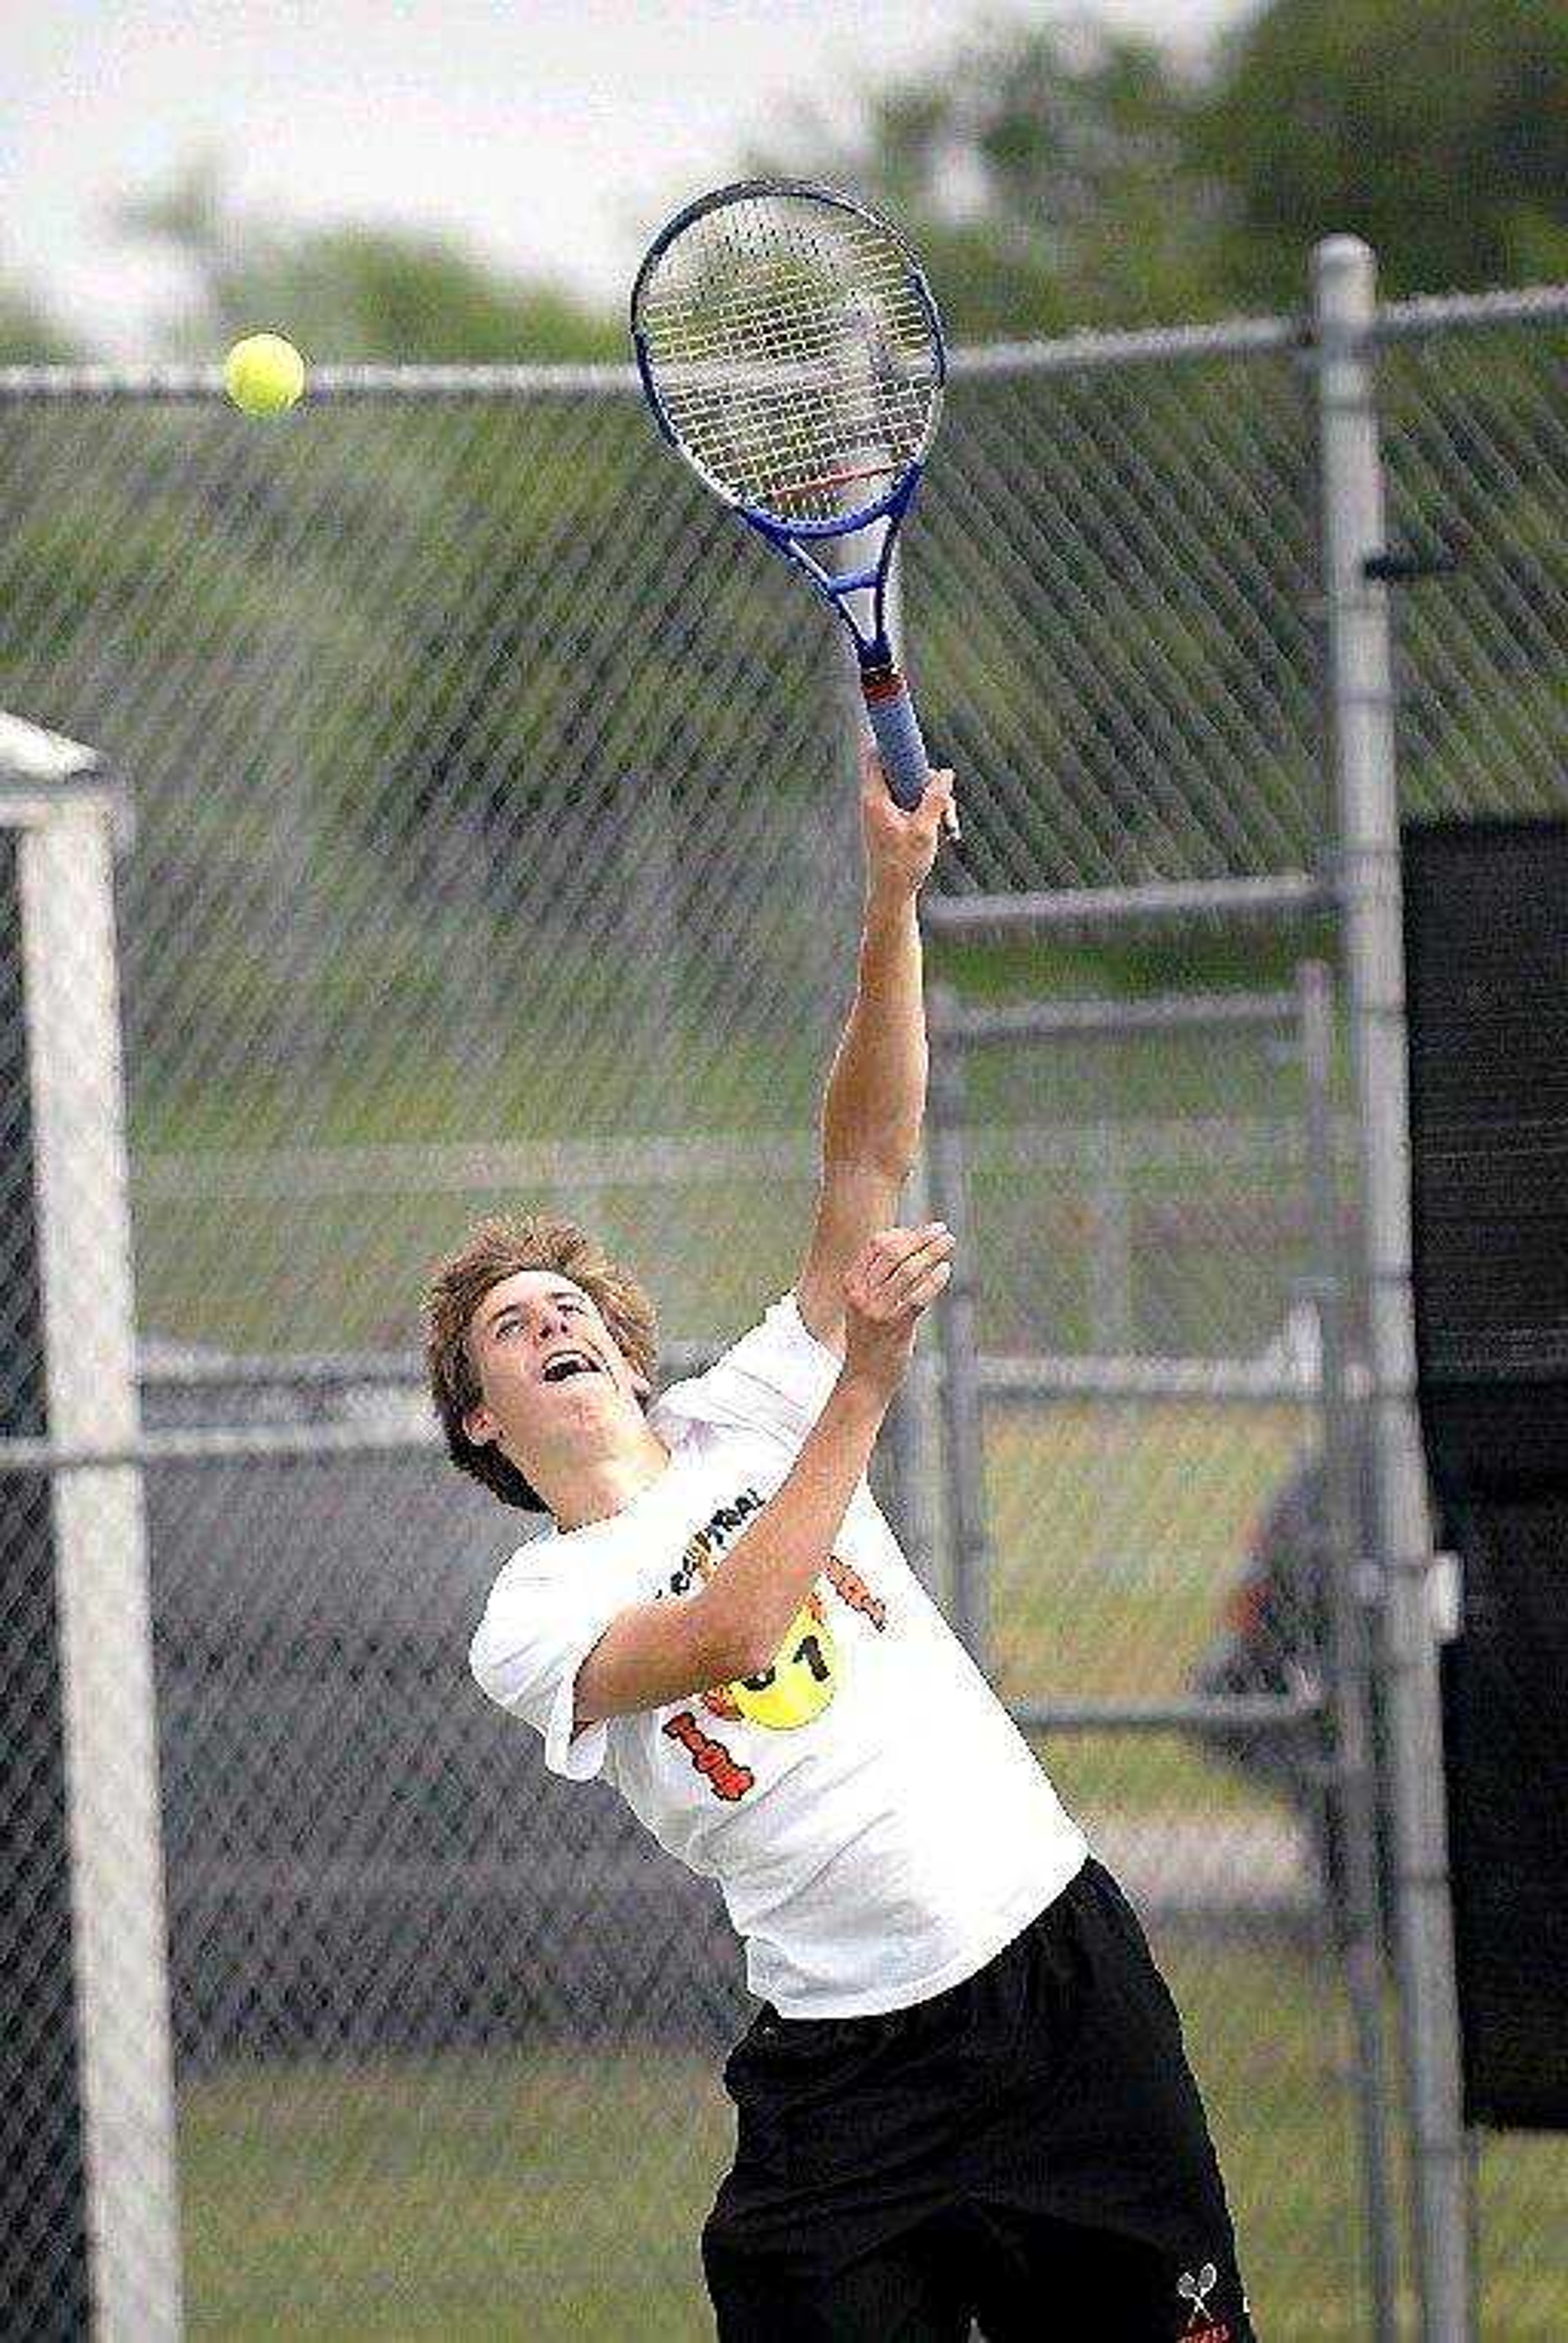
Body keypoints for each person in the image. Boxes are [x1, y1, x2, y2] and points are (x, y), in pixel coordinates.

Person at [426, 748, 1254, 2341]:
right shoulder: (534, 1609)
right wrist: (866, 1382)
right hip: (852, 2065)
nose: (551, 1324)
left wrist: (889, 901)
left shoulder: (750, 1412)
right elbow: (733, 1637)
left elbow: (865, 1157)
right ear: (481, 1420)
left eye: (571, 1305)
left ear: (632, 1352)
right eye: (509, 1333)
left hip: (1057, 1977)